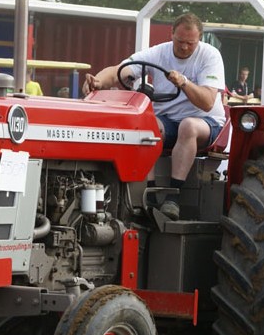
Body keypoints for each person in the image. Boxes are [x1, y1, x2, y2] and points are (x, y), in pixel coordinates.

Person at [82, 12, 225, 220]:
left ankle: (173, 197)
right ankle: (148, 193)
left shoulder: (210, 56)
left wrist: (184, 83)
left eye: (190, 43)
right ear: (171, 34)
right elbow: (118, 71)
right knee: (145, 126)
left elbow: (207, 102)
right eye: (180, 41)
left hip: (205, 122)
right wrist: (98, 81)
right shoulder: (158, 53)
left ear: (199, 39)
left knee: (188, 126)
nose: (184, 47)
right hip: (168, 121)